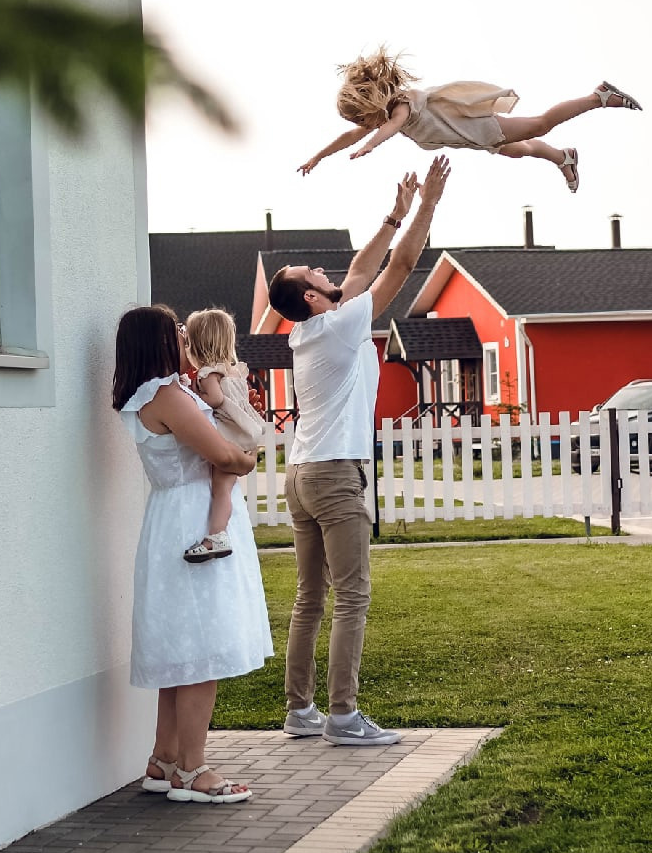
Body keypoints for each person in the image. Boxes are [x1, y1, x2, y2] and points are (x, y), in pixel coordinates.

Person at [268, 157, 450, 746]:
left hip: (301, 473)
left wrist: (394, 214)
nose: (324, 270)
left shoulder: (307, 328)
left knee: (310, 598)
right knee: (352, 596)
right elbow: (398, 267)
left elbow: (357, 269)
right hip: (333, 474)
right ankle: (344, 718)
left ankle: (300, 711)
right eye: (312, 273)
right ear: (313, 296)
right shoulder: (341, 324)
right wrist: (428, 205)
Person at [113, 304, 273, 803]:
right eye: (177, 331)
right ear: (159, 341)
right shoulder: (167, 396)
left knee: (182, 653)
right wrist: (246, 456)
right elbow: (223, 455)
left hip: (175, 516)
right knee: (202, 650)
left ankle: (164, 759)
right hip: (192, 520)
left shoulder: (158, 393)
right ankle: (192, 770)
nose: (185, 336)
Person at [297, 45, 641, 193]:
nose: (366, 127)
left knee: (539, 125)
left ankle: (598, 97)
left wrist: (371, 146)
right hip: (472, 137)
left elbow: (389, 129)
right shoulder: (384, 115)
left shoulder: (401, 107)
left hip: (479, 127)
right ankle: (562, 157)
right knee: (518, 150)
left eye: (365, 120)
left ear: (372, 106)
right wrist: (319, 156)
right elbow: (352, 136)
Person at [182, 308, 266, 564]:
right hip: (242, 436)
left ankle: (217, 536)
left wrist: (195, 395)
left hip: (230, 438)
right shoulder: (232, 371)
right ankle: (219, 534)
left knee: (221, 490)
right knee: (226, 488)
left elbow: (216, 400)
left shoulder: (208, 374)